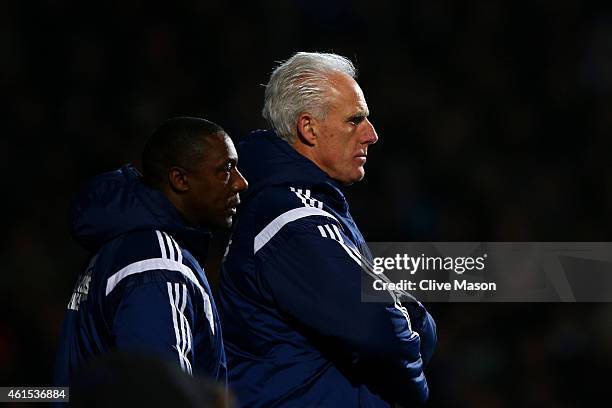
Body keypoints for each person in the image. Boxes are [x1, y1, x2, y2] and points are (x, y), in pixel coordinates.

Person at [219, 52, 437, 407]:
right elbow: (380, 328)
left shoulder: (301, 207)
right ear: (309, 128)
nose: (372, 134)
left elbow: (389, 316)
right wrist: (412, 383)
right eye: (355, 120)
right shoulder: (292, 219)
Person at [54, 117, 248, 388]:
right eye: (226, 169)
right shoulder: (157, 265)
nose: (241, 183)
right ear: (180, 179)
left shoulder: (125, 246)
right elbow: (161, 395)